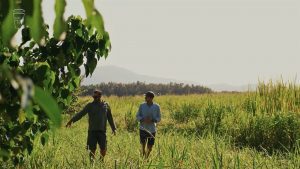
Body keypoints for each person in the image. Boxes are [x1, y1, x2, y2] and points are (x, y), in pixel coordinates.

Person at [66, 89, 116, 161]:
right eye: (94, 97)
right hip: (92, 131)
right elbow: (81, 114)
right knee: (92, 149)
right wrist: (71, 121)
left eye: (96, 97)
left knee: (103, 149)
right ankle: (92, 164)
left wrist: (114, 128)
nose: (95, 98)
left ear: (100, 96)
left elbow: (110, 117)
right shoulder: (90, 106)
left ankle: (101, 161)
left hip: (102, 131)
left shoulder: (106, 105)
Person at [136, 91, 161, 158]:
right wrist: (143, 119)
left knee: (150, 146)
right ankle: (143, 155)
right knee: (143, 144)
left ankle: (146, 157)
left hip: (152, 129)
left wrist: (152, 120)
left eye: (146, 97)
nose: (145, 98)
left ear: (150, 98)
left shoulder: (157, 106)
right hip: (142, 128)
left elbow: (159, 118)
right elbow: (137, 116)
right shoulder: (142, 105)